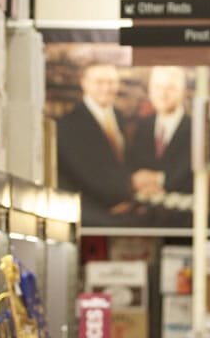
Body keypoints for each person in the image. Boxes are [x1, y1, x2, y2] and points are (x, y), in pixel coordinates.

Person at [56, 62, 132, 226]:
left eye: (111, 82)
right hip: (90, 215)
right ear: (84, 83)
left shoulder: (120, 118)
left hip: (120, 212)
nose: (106, 88)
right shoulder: (68, 124)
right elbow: (82, 172)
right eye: (99, 82)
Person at [128, 65, 193, 200]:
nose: (163, 94)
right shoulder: (143, 125)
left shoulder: (196, 128)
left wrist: (157, 179)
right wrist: (143, 185)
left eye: (170, 88)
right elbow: (134, 164)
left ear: (182, 92)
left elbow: (188, 173)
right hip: (145, 202)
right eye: (157, 87)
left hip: (182, 208)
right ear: (150, 91)